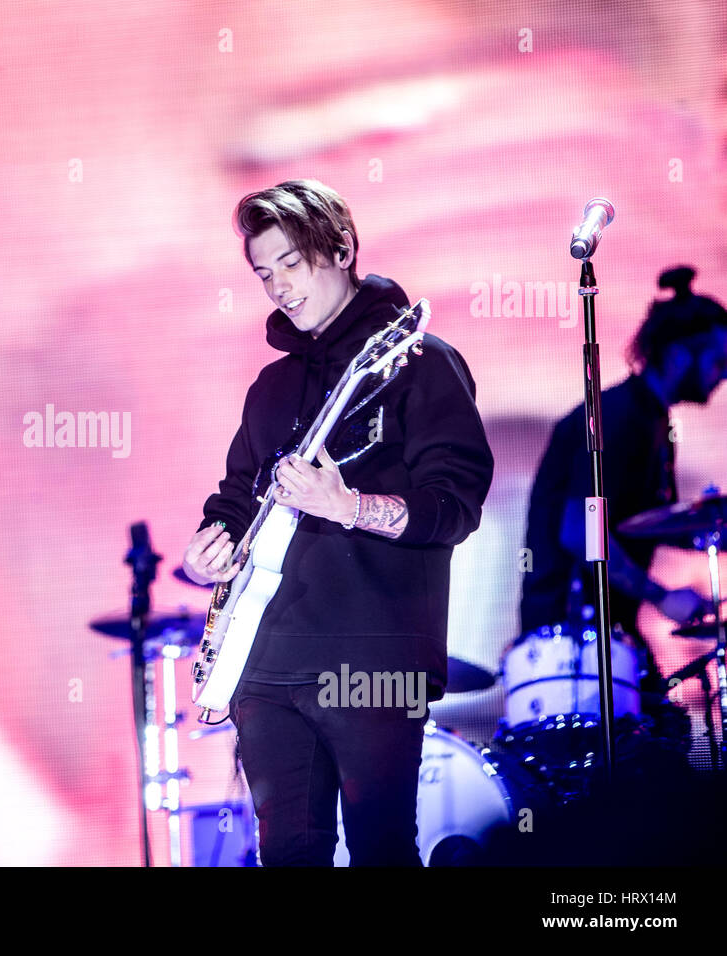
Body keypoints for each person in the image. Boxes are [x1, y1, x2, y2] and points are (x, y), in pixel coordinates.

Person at [182, 179, 494, 866]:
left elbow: (456, 506)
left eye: (291, 264)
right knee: (290, 853)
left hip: (373, 659)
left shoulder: (421, 365)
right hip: (264, 666)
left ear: (342, 247)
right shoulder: (271, 387)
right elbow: (238, 493)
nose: (278, 288)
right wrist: (211, 542)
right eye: (264, 274)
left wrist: (347, 506)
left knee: (383, 850)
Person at [520, 266, 727, 672]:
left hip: (607, 633)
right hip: (569, 641)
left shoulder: (652, 423)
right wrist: (662, 596)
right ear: (678, 353)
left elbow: (642, 524)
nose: (722, 376)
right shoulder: (618, 419)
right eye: (718, 361)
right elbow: (581, 532)